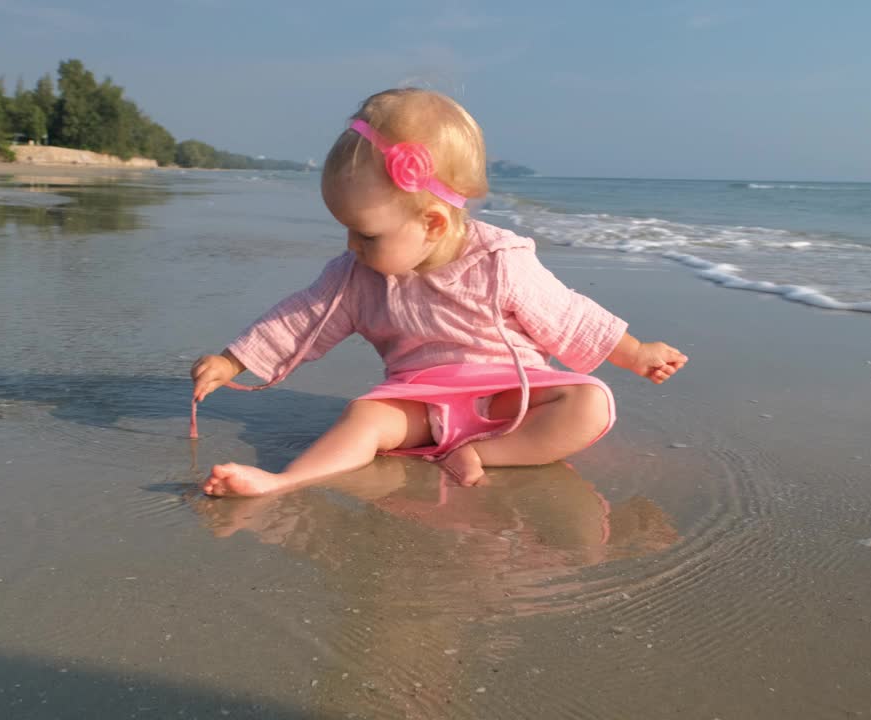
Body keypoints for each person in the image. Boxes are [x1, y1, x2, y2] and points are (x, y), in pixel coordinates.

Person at [191, 88, 688, 497]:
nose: (351, 245)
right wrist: (234, 360)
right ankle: (283, 480)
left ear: (431, 222)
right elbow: (300, 317)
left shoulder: (499, 262)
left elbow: (568, 316)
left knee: (591, 406)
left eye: (366, 235)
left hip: (510, 402)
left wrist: (636, 353)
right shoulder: (355, 277)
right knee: (364, 416)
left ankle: (484, 453)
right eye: (346, 230)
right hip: (420, 405)